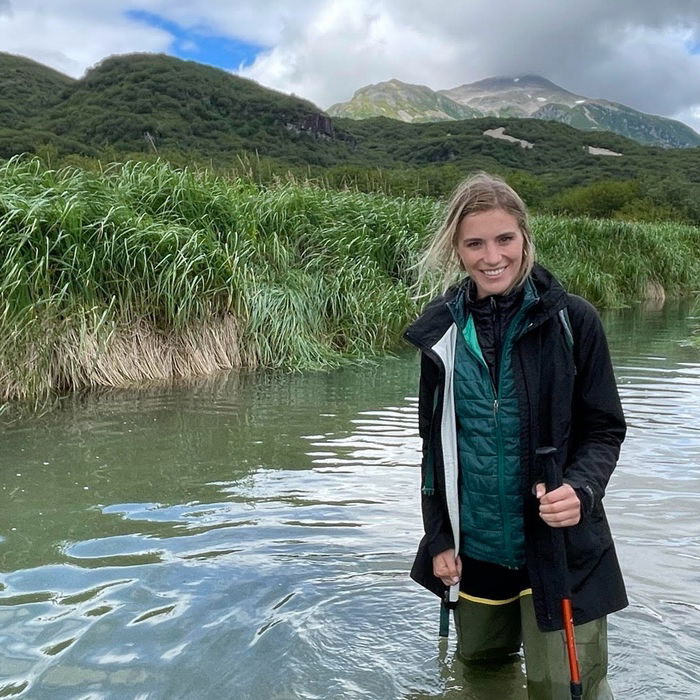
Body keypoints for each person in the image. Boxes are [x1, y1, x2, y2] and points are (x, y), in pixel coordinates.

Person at [403, 173, 627, 699]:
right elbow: (434, 450)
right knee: (479, 680)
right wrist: (439, 540)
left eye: (504, 239)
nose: (491, 256)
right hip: (473, 552)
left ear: (524, 237)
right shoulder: (441, 334)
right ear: (456, 250)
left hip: (559, 547)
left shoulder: (575, 321)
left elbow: (605, 429)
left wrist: (582, 489)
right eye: (474, 243)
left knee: (566, 690)